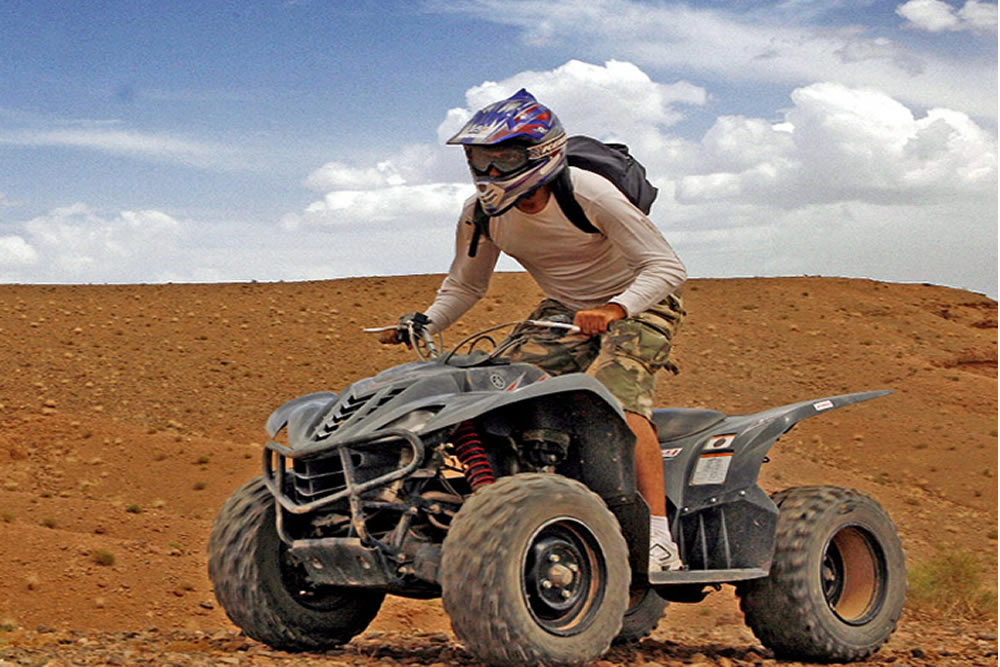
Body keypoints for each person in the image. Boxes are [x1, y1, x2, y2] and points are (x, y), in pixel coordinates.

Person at [381, 89, 687, 573]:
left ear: (541, 153)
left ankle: (658, 538)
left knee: (616, 400)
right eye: (481, 160)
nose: (492, 173)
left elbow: (666, 267)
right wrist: (426, 320)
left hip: (638, 302)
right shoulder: (481, 212)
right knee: (501, 392)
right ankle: (525, 501)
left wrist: (616, 308)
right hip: (563, 309)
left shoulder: (589, 193)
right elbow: (466, 283)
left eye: (504, 159)